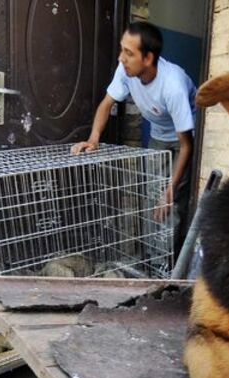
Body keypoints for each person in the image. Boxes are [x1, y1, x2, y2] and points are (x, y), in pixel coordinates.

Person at [71, 21, 197, 257]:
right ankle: (151, 256)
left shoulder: (173, 86)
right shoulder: (126, 71)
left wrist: (169, 192)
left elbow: (186, 145)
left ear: (148, 58)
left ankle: (168, 265)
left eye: (129, 53)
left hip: (185, 138)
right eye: (122, 49)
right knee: (152, 196)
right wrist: (93, 139)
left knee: (171, 201)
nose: (121, 58)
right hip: (160, 135)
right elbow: (106, 104)